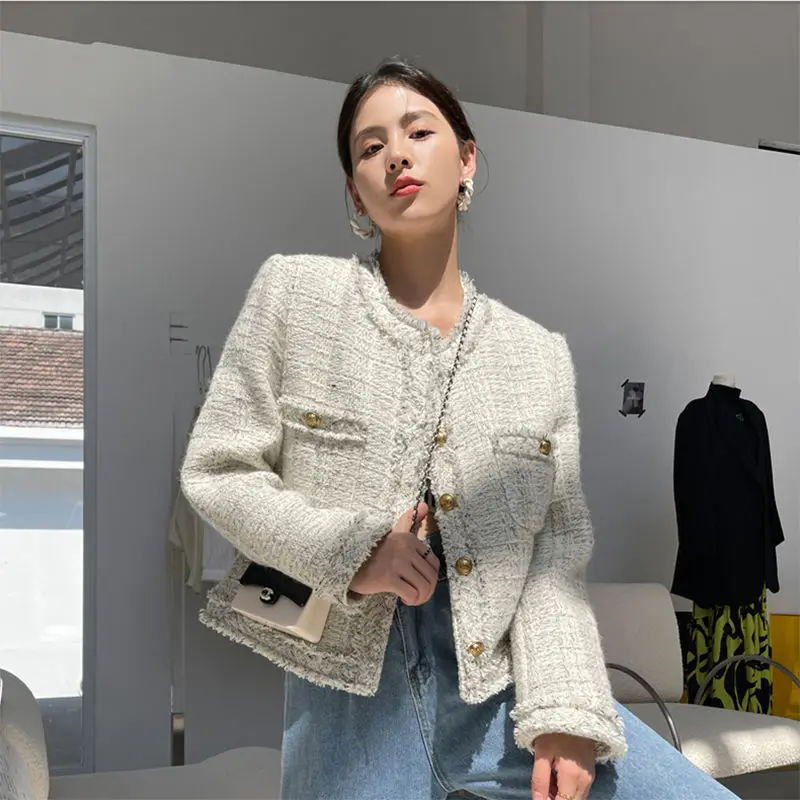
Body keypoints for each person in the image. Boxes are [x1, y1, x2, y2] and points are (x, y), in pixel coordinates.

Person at [180, 58, 739, 800]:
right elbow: (218, 471)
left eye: (419, 132)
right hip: (348, 700)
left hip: (500, 690)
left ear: (467, 159)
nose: (396, 155)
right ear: (354, 189)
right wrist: (355, 552)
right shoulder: (296, 295)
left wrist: (566, 713)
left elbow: (554, 557)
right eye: (371, 146)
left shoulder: (537, 356)